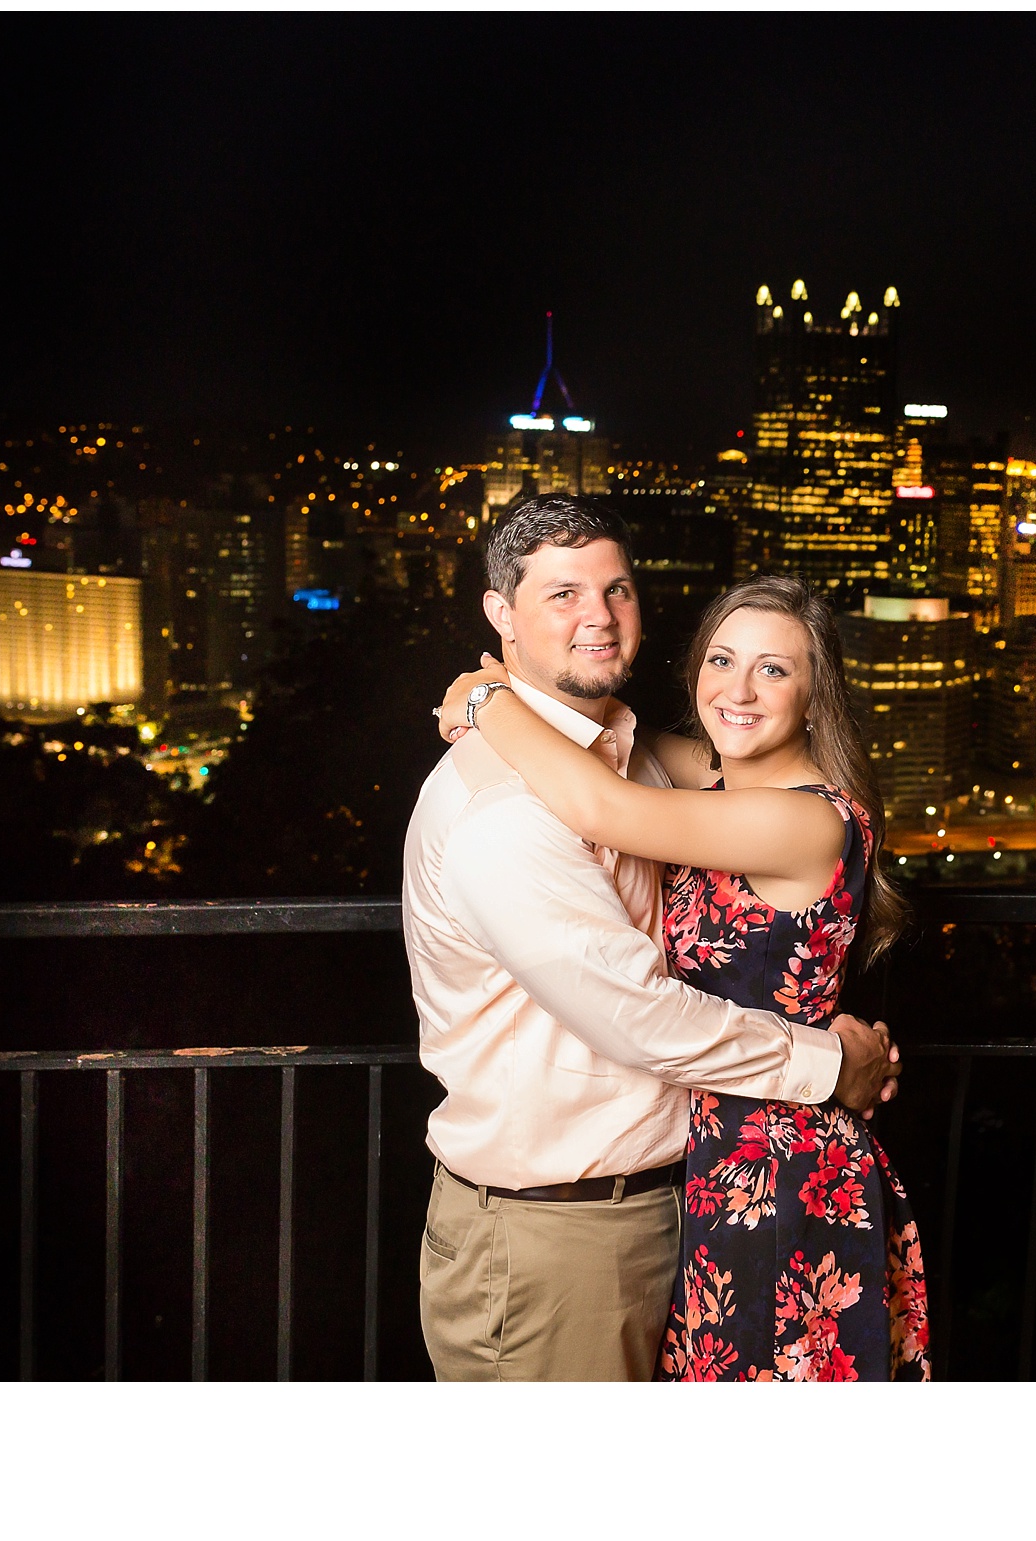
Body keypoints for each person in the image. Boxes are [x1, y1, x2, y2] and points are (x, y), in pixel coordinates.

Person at [402, 493, 900, 1382]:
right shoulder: (527, 807)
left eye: (618, 590)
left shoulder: (783, 813)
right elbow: (639, 999)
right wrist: (496, 701)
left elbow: (611, 802)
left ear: (818, 692)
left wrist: (490, 699)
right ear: (501, 613)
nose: (598, 615)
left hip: (764, 1175)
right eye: (563, 594)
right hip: (580, 1217)